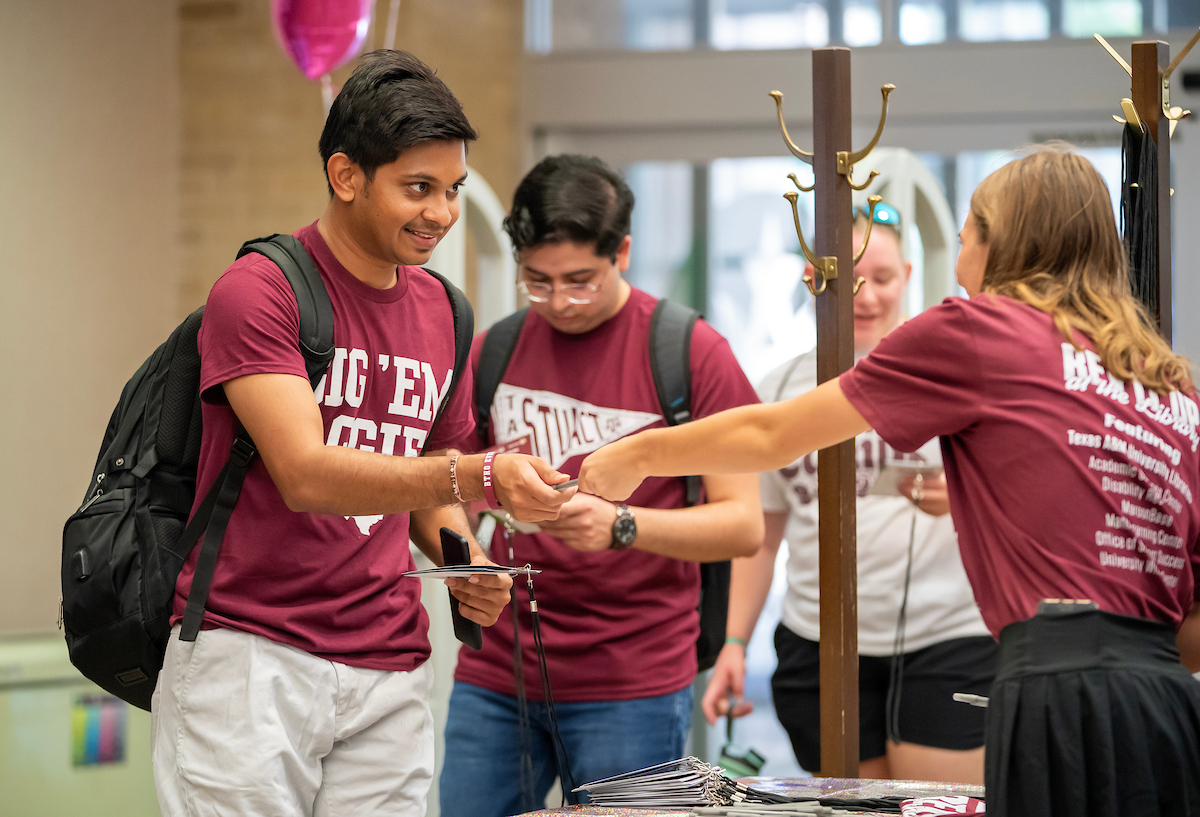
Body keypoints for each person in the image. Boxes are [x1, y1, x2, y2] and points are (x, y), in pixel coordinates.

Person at [580, 145, 1200, 817]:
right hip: (1168, 699)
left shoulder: (982, 329)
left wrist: (638, 455)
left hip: (1055, 685)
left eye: (967, 228)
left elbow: (770, 435)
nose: (960, 247)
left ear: (1000, 246)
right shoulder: (1164, 380)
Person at [150, 51, 574, 817]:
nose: (441, 214)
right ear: (346, 175)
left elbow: (429, 476)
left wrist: (465, 557)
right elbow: (306, 474)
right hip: (250, 657)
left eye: (453, 190)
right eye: (418, 188)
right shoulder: (259, 291)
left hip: (390, 664)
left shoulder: (446, 312)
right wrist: (478, 478)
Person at [438, 154, 764, 817]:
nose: (560, 301)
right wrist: (465, 557)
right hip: (497, 676)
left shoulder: (690, 352)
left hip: (632, 682)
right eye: (538, 281)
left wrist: (624, 524)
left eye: (580, 280)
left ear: (623, 251)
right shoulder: (493, 350)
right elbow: (448, 486)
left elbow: (743, 524)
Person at [703, 203, 995, 783]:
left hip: (948, 637)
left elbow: (1027, 498)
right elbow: (762, 536)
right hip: (820, 640)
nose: (865, 297)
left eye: (881, 280)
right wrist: (735, 641)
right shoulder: (781, 391)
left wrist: (965, 499)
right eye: (850, 282)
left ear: (908, 277)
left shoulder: (957, 373)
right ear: (812, 279)